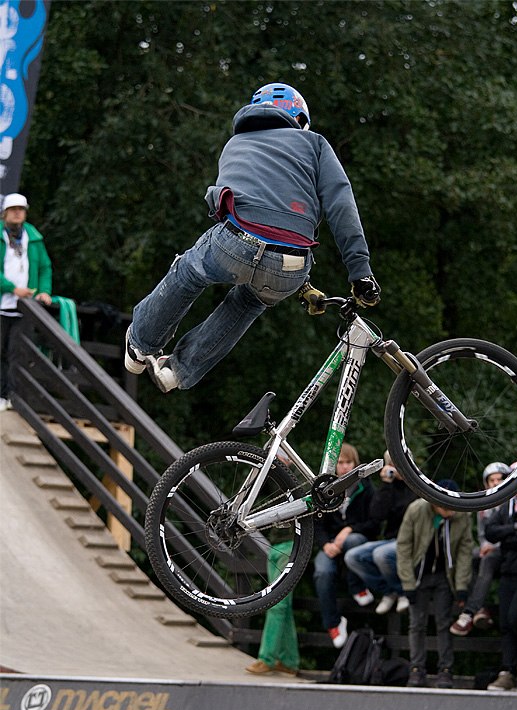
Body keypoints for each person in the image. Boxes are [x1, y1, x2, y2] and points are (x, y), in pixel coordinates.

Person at [125, 83, 380, 393]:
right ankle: (178, 371)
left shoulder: (236, 143)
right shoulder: (314, 143)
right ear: (300, 121)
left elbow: (254, 217)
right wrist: (360, 272)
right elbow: (340, 204)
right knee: (250, 302)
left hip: (235, 243)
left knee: (189, 271)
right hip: (293, 265)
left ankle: (141, 344)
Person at [396, 482, 474, 689]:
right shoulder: (416, 510)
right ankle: (417, 668)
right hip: (420, 573)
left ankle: (445, 669)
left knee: (443, 622)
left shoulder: (462, 515)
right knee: (416, 623)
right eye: (445, 506)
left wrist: (462, 586)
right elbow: (403, 547)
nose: (449, 511)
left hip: (444, 575)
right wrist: (408, 584)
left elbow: (465, 552)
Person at [313, 442, 376, 648]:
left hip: (356, 538)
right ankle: (333, 624)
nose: (344, 467)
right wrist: (325, 545)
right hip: (330, 545)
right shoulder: (324, 489)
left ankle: (357, 587)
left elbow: (373, 523)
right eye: (340, 463)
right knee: (322, 572)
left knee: (353, 541)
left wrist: (349, 529)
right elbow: (316, 524)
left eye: (348, 462)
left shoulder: (366, 488)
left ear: (355, 464)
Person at [344, 451, 417, 615]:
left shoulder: (419, 484)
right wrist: (386, 484)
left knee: (381, 554)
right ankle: (390, 591)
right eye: (392, 463)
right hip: (391, 540)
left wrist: (407, 478)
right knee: (353, 557)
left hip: (413, 541)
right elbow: (376, 515)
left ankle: (403, 592)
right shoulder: (389, 487)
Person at [0, 193, 52, 410]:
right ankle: (1, 396)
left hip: (25, 308)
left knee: (18, 353)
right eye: (13, 209)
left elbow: (44, 268)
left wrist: (44, 291)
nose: (17, 213)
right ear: (4, 213)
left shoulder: (34, 238)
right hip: (3, 304)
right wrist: (12, 288)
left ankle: (14, 397)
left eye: (20, 209)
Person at [485, 477, 517, 691]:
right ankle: (508, 671)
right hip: (507, 570)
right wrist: (513, 529)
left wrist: (507, 534)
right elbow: (490, 531)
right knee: (506, 622)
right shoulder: (506, 503)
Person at [450, 462, 510, 636]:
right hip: (489, 547)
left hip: (505, 550)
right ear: (487, 483)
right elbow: (483, 534)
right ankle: (480, 608)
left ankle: (470, 611)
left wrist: (491, 547)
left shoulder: (512, 501)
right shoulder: (483, 506)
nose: (496, 483)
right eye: (492, 480)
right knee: (466, 558)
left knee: (486, 561)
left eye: (500, 479)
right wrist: (485, 545)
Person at [245, 539, 300, 677]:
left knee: (277, 604)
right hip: (275, 546)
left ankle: (267, 659)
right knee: (283, 607)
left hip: (292, 546)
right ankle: (289, 661)